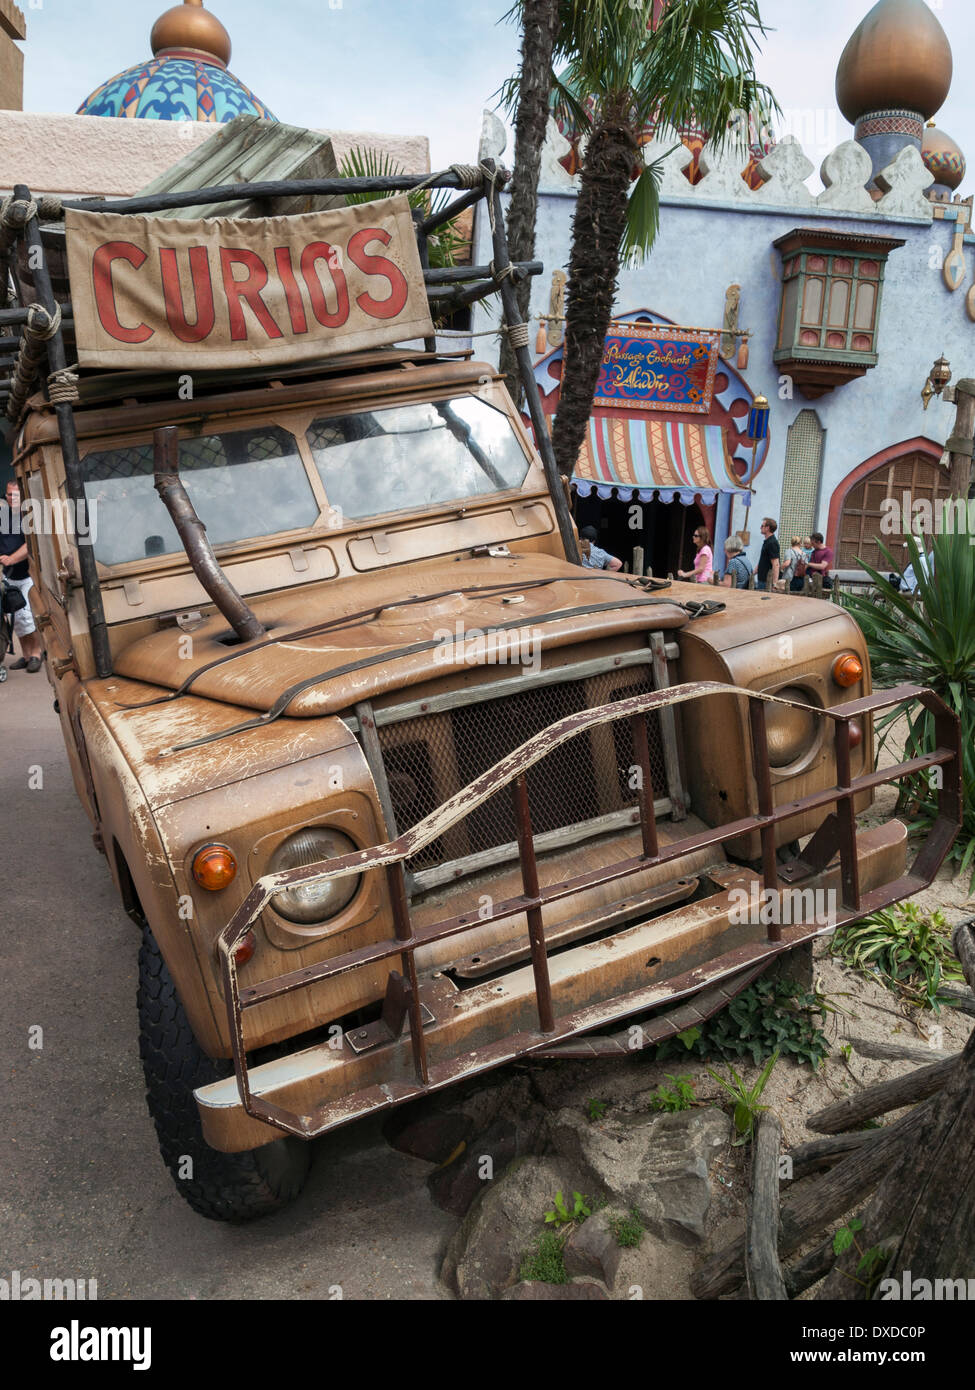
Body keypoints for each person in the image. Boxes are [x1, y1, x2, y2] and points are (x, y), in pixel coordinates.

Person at [1, 480, 43, 673]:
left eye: (16, 495)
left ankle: (36, 653)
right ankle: (26, 656)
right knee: (16, 617)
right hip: (9, 577)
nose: (12, 498)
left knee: (26, 616)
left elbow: (30, 545)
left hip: (28, 575)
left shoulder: (29, 516)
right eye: (9, 494)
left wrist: (11, 559)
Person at [755, 517, 780, 590]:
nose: (760, 527)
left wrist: (775, 584)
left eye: (762, 526)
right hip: (762, 580)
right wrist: (753, 573)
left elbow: (776, 564)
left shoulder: (772, 543)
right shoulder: (767, 541)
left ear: (767, 528)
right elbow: (763, 560)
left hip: (767, 581)